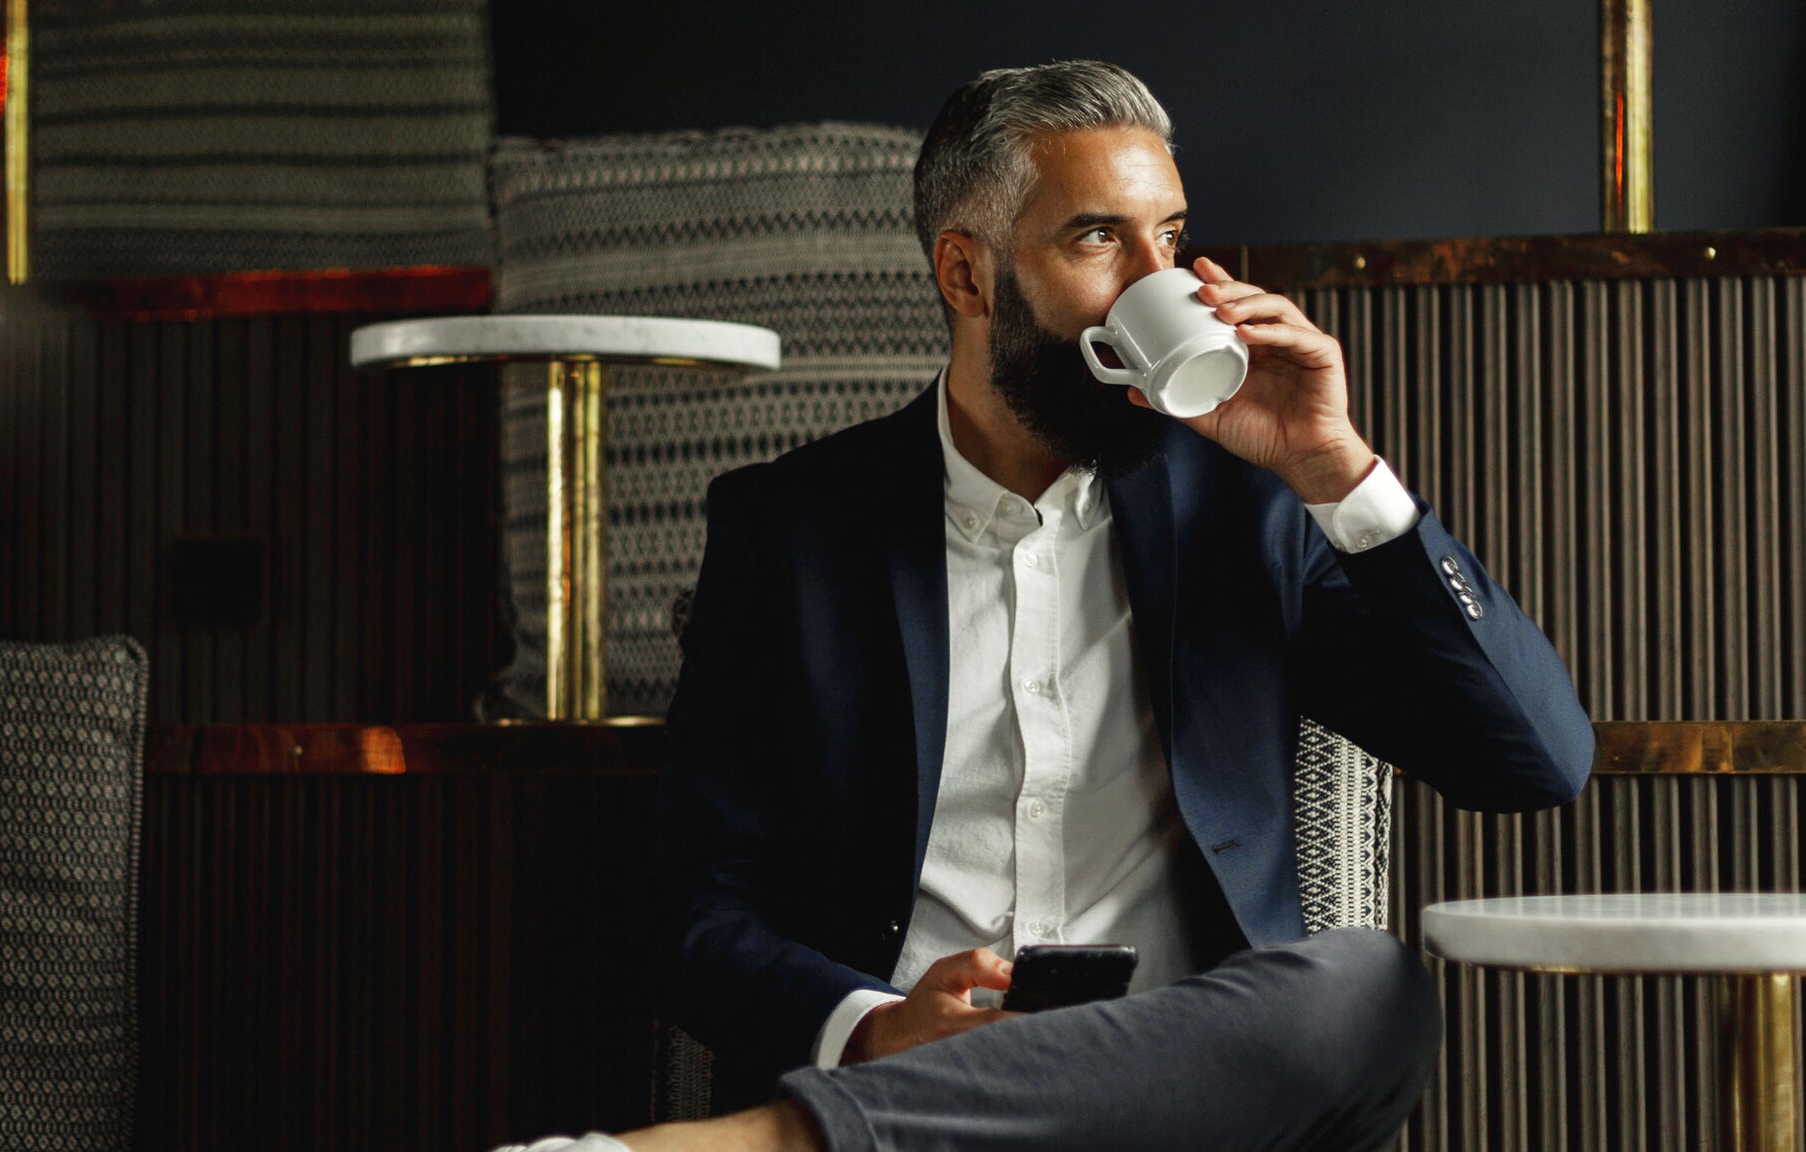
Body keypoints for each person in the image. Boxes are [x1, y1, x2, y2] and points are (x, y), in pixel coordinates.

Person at [497, 60, 1593, 1152]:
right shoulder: (791, 533)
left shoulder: (1248, 513)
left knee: (1368, 986)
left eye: (1168, 236)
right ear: (966, 276)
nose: (1158, 282)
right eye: (1096, 239)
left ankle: (758, 1147)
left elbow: (1532, 763)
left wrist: (1341, 475)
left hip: (1180, 1104)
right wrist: (872, 1028)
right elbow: (698, 910)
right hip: (910, 1085)